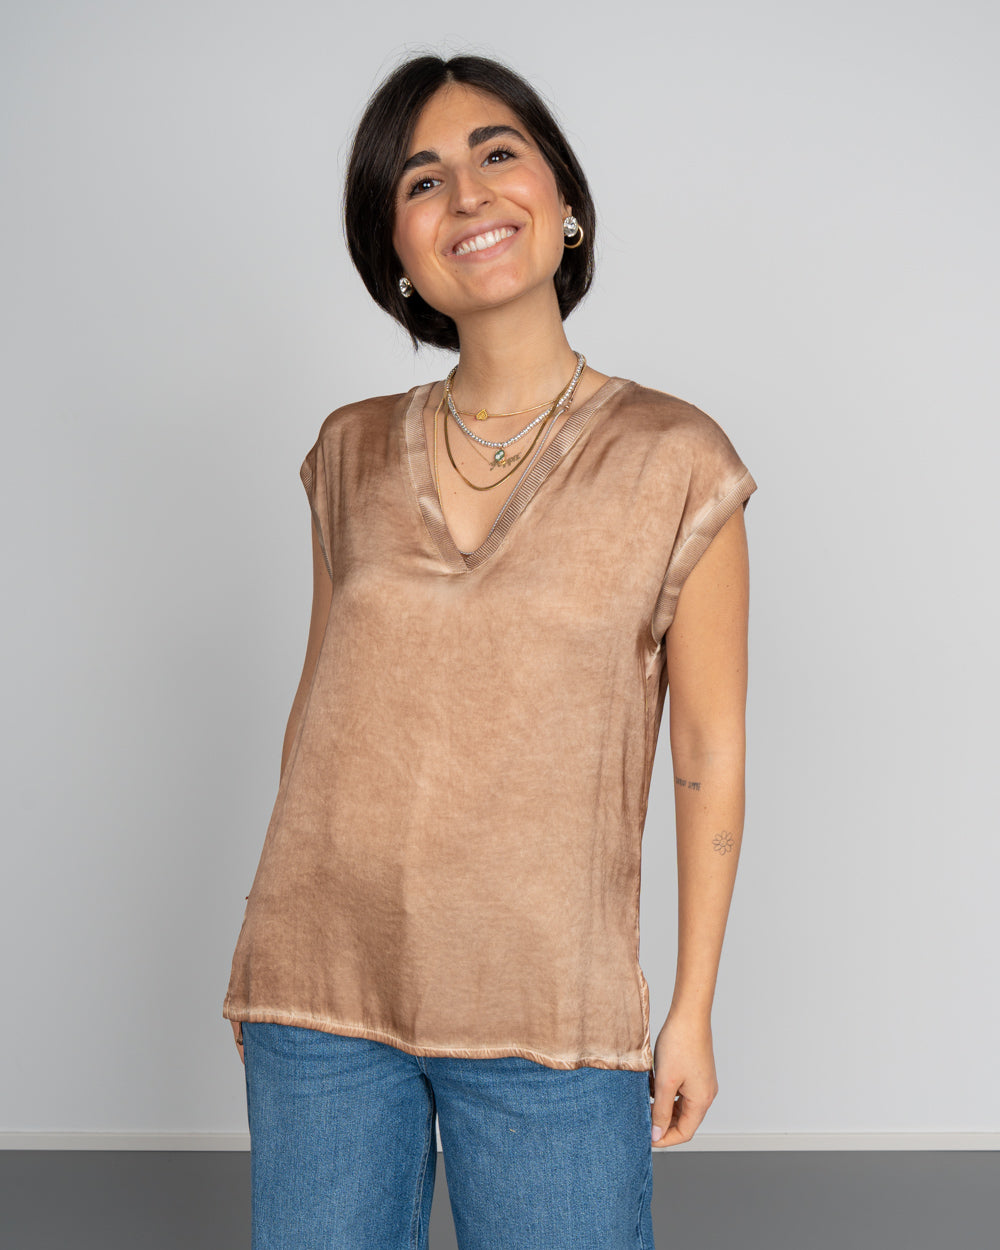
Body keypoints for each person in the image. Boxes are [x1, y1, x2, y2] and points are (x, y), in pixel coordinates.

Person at [223, 52, 756, 1250]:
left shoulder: (676, 457)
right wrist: (269, 942)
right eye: (420, 180)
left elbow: (707, 748)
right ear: (396, 252)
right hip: (322, 993)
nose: (465, 193)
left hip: (549, 1008)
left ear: (562, 200)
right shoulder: (349, 451)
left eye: (496, 154)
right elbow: (320, 708)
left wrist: (690, 1006)